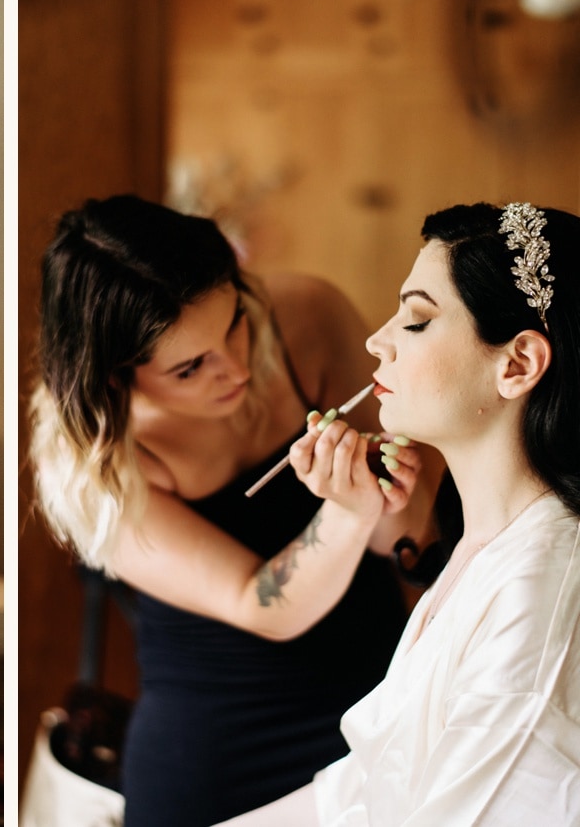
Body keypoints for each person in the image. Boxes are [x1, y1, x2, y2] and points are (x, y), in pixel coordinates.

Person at [28, 196, 426, 827]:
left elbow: (411, 542)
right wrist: (344, 514)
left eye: (236, 320)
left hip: (382, 695)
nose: (237, 367)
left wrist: (384, 493)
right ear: (113, 379)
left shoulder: (309, 319)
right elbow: (258, 603)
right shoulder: (96, 459)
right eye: (190, 367)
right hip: (221, 746)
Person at [219, 202, 580, 826]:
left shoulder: (542, 586)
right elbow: (366, 787)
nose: (375, 340)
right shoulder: (483, 548)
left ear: (517, 364)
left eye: (416, 320)